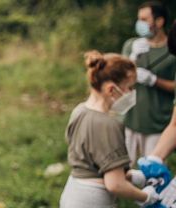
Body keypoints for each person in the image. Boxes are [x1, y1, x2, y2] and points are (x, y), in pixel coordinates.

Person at [59, 51, 160, 207]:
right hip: (93, 200)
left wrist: (131, 176)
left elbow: (94, 161)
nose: (133, 93)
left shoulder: (79, 111)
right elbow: (115, 184)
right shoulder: (109, 125)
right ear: (111, 89)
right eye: (130, 87)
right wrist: (145, 196)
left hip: (73, 193)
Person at [120, 1, 176, 167]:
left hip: (158, 123)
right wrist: (131, 60)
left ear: (159, 21)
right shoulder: (133, 46)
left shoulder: (172, 49)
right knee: (123, 168)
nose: (140, 23)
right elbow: (118, 80)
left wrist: (153, 80)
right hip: (131, 120)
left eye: (144, 19)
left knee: (153, 172)